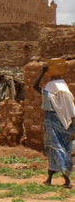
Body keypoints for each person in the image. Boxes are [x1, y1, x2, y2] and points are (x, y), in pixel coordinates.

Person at [34, 60, 75, 188]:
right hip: (66, 125)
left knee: (55, 149)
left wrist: (42, 72)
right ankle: (52, 178)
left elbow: (35, 86)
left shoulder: (50, 89)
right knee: (62, 150)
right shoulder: (65, 91)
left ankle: (63, 179)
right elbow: (72, 110)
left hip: (52, 122)